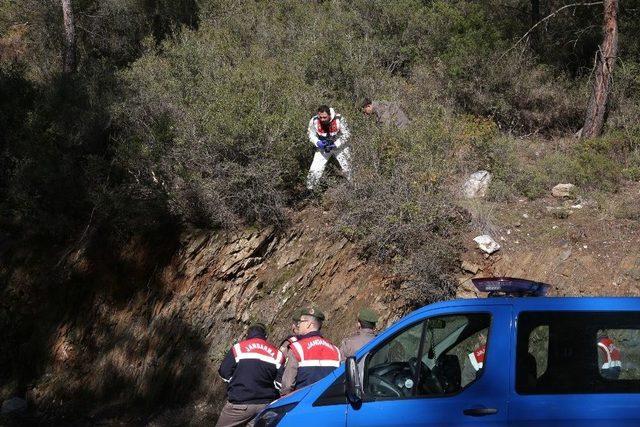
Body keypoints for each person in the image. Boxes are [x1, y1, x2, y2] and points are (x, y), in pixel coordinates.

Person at [217, 323, 284, 427]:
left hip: (239, 403)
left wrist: (235, 382)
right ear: (265, 336)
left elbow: (223, 371)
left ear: (248, 335)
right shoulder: (278, 354)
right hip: (264, 405)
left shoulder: (238, 348)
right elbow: (280, 383)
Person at [278, 307, 341, 395]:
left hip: (303, 404)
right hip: (329, 404)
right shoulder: (335, 350)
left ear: (308, 324)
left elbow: (287, 386)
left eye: (300, 322)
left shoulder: (297, 348)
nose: (298, 325)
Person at [306, 105, 351, 190]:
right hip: (323, 146)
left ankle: (352, 187)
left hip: (339, 146)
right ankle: (310, 190)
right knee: (315, 168)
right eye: (321, 117)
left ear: (329, 115)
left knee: (347, 166)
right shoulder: (314, 120)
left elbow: (347, 134)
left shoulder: (339, 119)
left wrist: (336, 144)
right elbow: (310, 134)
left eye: (324, 117)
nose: (322, 119)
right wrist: (317, 142)